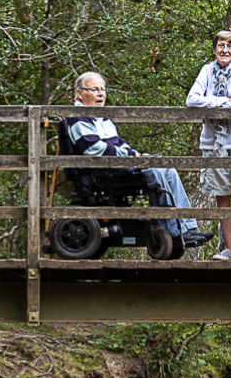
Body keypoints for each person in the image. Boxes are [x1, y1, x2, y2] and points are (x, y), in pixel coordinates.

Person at [61, 71, 206, 250]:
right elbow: (95, 149)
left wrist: (136, 155)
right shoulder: (77, 117)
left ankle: (187, 228)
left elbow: (118, 143)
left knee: (166, 168)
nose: (101, 94)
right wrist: (131, 158)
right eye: (95, 89)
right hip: (101, 171)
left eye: (103, 89)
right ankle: (172, 230)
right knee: (154, 171)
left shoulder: (101, 117)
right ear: (79, 93)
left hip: (116, 165)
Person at [186, 29, 231, 261]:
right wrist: (224, 102)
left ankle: (225, 226)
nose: (225, 49)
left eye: (230, 45)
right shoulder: (207, 70)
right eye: (221, 45)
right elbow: (192, 99)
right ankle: (230, 250)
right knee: (222, 194)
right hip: (213, 142)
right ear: (214, 48)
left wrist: (211, 107)